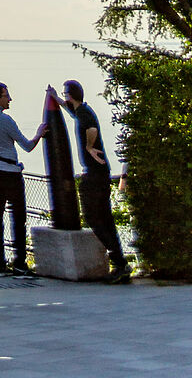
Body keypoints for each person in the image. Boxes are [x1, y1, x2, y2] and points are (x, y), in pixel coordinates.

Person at [63, 79, 130, 280]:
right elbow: (72, 112)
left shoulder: (84, 113)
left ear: (70, 95)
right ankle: (120, 263)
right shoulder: (81, 111)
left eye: (65, 94)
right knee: (106, 218)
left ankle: (117, 259)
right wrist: (55, 97)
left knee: (93, 216)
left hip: (93, 174)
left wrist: (89, 147)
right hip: (100, 173)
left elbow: (91, 129)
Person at [0, 80, 43, 275]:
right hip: (11, 173)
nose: (10, 99)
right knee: (18, 217)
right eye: (6, 96)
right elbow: (27, 146)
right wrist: (39, 134)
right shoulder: (6, 120)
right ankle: (19, 263)